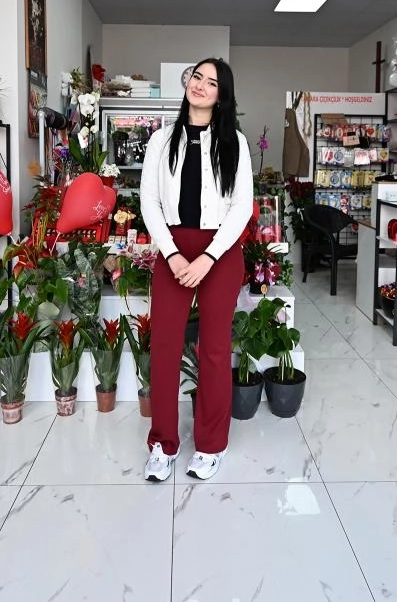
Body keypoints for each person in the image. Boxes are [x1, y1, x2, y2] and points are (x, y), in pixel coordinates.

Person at [139, 58, 252, 482]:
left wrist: (208, 257)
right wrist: (172, 255)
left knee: (215, 350)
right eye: (197, 77)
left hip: (219, 251)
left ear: (222, 95)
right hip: (173, 248)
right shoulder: (161, 140)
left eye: (212, 82)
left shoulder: (235, 143)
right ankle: (162, 444)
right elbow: (149, 201)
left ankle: (210, 445)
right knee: (164, 346)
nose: (201, 85)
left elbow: (241, 207)